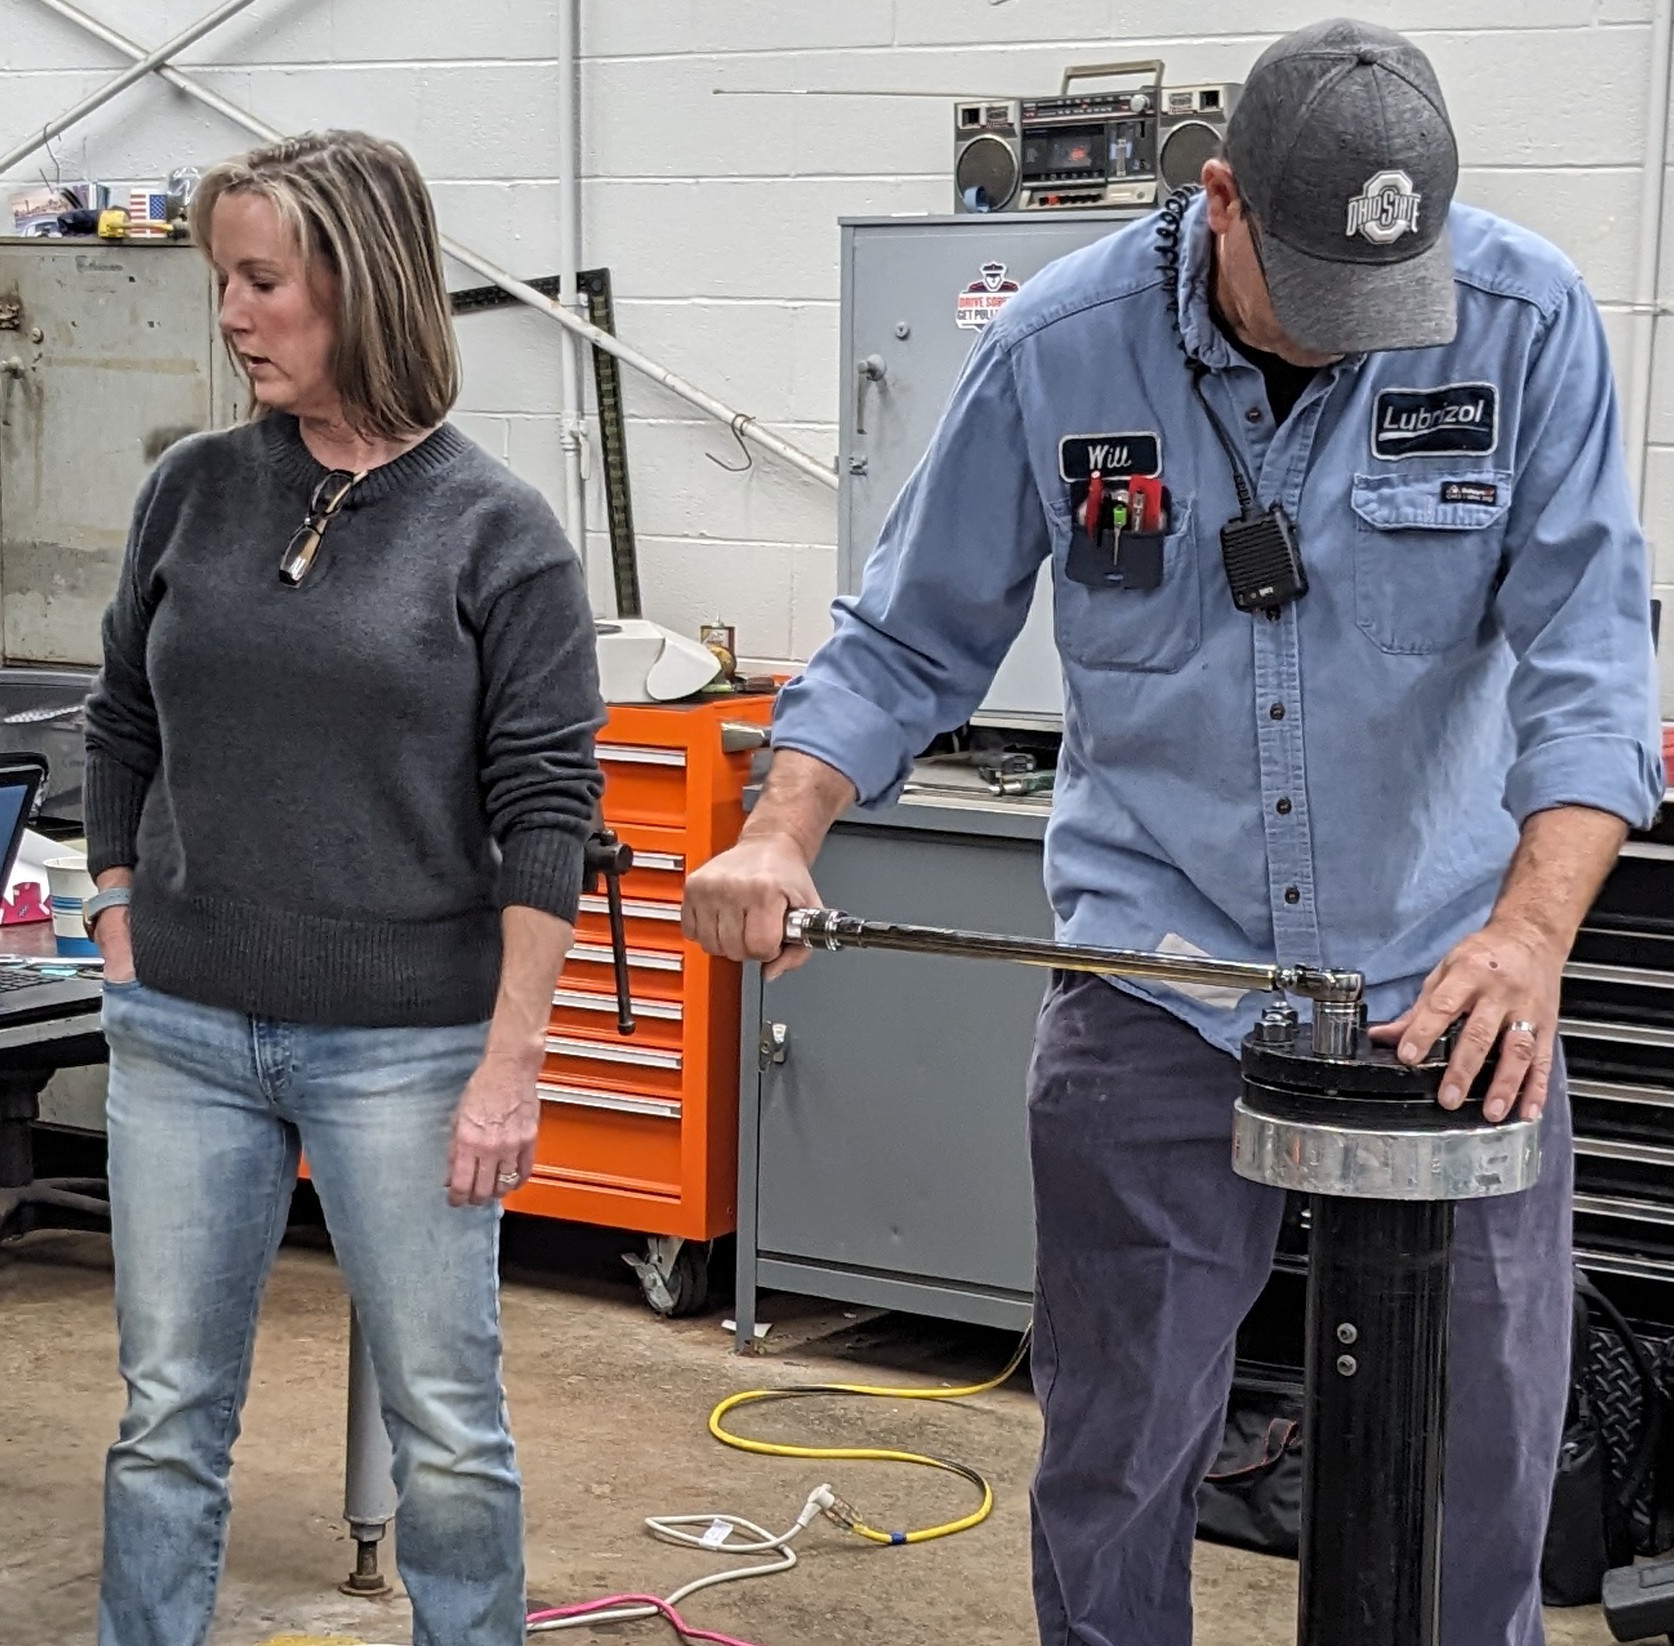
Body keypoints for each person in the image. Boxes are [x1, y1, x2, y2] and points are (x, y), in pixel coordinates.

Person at [683, 20, 1662, 1646]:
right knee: (1119, 1447)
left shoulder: (1522, 318)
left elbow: (1590, 666)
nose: (1358, 344)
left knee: (1472, 1458)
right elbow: (909, 633)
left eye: (1386, 305)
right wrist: (782, 828)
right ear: (1218, 201)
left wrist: (1528, 935)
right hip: (1157, 970)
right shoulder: (1060, 348)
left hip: (1447, 981)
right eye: (1316, 296)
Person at [81, 129, 605, 1646]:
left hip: (407, 1049)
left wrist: (511, 1059)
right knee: (165, 1410)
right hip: (178, 1026)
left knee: (445, 1420)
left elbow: (544, 810)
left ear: (359, 283)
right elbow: (119, 713)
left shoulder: (495, 534)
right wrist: (121, 906)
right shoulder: (189, 489)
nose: (232, 315)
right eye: (222, 283)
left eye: (262, 280)